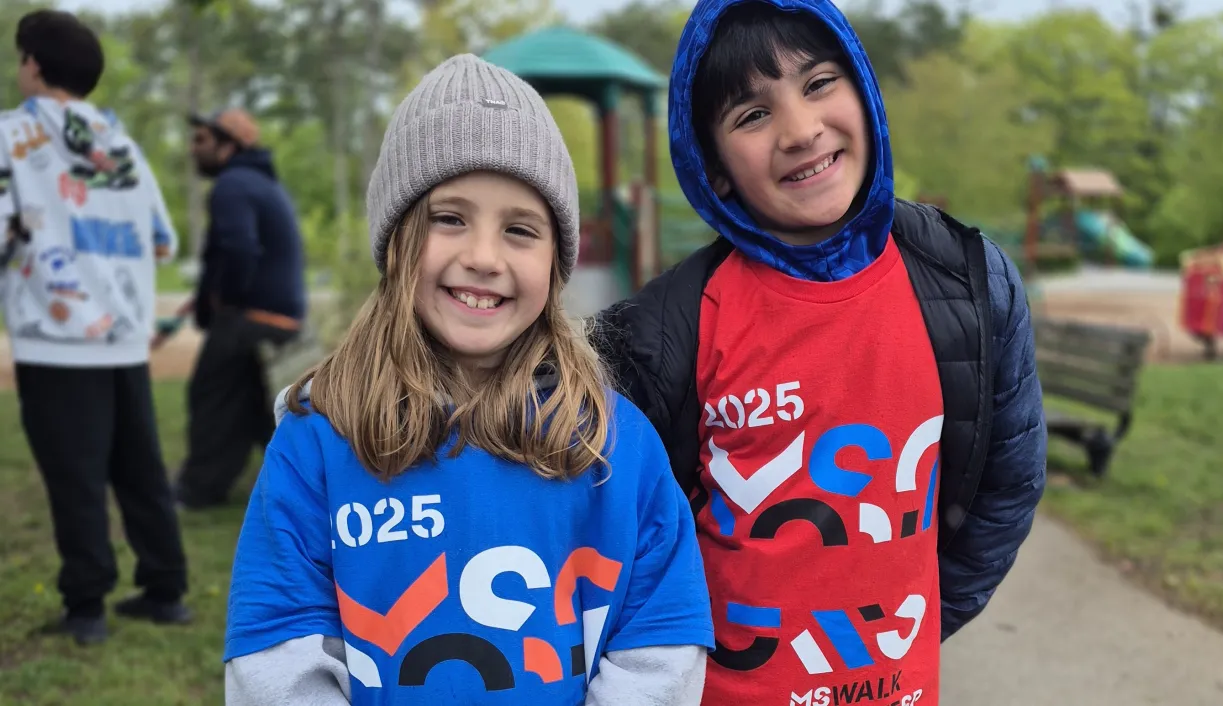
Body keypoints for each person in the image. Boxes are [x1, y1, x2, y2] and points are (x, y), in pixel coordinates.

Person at [590, 0, 1047, 703]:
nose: (801, 131)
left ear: (863, 90)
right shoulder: (664, 329)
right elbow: (605, 537)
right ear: (712, 168)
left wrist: (918, 632)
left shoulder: (968, 279)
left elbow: (1007, 487)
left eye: (819, 83)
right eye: (752, 115)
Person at [222, 55, 714, 705]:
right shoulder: (318, 441)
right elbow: (276, 655)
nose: (483, 258)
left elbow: (659, 644)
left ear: (555, 262)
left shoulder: (615, 442)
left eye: (519, 230)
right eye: (449, 218)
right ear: (396, 242)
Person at [0, 9, 191, 645]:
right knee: (140, 468)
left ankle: (86, 608)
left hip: (54, 340)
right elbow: (162, 241)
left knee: (75, 477)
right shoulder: (122, 146)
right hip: (124, 334)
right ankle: (166, 590)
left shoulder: (9, 136)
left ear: (32, 64)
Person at [169, 107, 307, 510]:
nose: (193, 148)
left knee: (211, 400)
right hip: (276, 318)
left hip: (250, 318)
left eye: (202, 140)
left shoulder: (232, 185)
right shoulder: (262, 184)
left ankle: (196, 493)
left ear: (228, 145)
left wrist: (224, 302)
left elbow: (241, 249)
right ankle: (295, 486)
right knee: (253, 408)